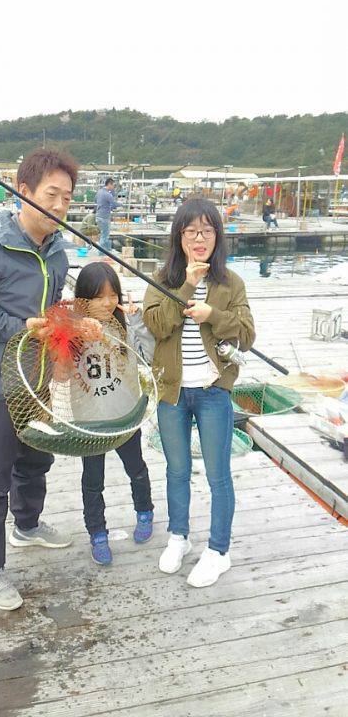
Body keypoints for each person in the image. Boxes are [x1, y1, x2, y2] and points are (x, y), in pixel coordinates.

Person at [0, 149, 78, 611]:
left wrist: (77, 322)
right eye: (51, 195)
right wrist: (18, 327)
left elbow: (55, 308)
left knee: (35, 462)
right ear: (24, 193)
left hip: (38, 382)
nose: (61, 206)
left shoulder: (59, 253)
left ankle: (28, 524)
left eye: (67, 197)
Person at [143, 199, 255, 588]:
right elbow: (157, 325)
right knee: (176, 470)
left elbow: (246, 333)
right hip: (172, 392)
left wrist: (214, 316)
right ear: (179, 236)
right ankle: (179, 537)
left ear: (217, 236)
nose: (199, 238)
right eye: (191, 231)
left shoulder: (231, 283)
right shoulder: (162, 278)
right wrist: (189, 284)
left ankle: (219, 550)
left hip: (212, 391)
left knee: (218, 474)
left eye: (208, 230)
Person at [74, 262, 155, 565]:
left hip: (125, 416)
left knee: (136, 468)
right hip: (90, 422)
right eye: (97, 297)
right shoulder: (73, 330)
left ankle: (145, 512)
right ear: (83, 299)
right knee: (92, 480)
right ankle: (97, 533)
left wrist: (135, 323)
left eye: (112, 295)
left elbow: (146, 355)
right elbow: (59, 373)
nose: (106, 303)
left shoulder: (124, 325)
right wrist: (72, 336)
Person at [95, 177, 117, 251]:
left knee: (103, 234)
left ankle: (107, 250)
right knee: (104, 236)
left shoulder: (99, 192)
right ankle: (101, 252)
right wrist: (122, 205)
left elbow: (96, 201)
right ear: (109, 184)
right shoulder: (107, 194)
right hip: (104, 217)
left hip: (98, 216)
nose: (114, 187)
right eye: (113, 185)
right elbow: (114, 204)